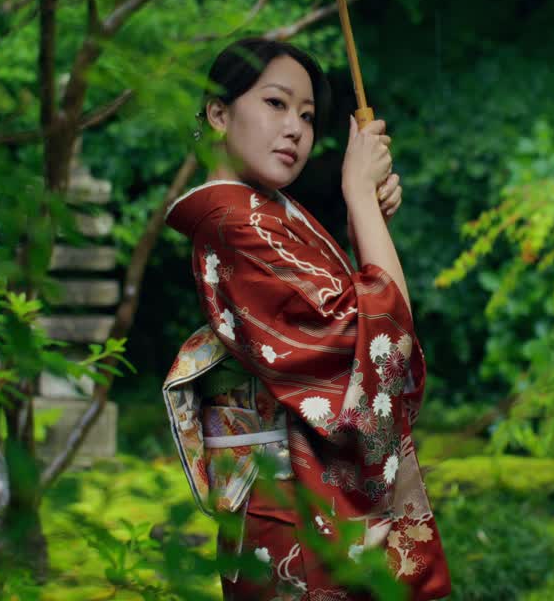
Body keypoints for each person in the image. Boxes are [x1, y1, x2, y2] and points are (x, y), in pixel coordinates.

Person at [162, 38, 451, 600]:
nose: (294, 127)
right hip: (289, 504)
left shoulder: (267, 216)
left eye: (308, 115)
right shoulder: (233, 224)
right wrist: (360, 199)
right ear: (219, 114)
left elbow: (377, 324)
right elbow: (375, 345)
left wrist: (363, 213)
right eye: (275, 103)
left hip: (298, 497)